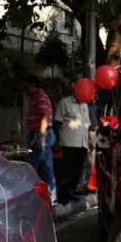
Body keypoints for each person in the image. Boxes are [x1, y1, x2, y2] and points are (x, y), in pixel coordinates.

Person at [23, 74, 57, 203]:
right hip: (40, 134)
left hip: (41, 134)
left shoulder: (40, 96)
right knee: (44, 166)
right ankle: (49, 196)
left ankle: (48, 196)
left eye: (26, 86)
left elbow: (45, 116)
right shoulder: (36, 97)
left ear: (33, 86)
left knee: (34, 166)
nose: (25, 90)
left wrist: (40, 137)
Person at [54, 93, 91, 203]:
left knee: (77, 169)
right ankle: (63, 194)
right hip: (69, 142)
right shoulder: (65, 102)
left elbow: (87, 124)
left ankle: (71, 191)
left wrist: (89, 140)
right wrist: (56, 140)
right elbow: (57, 122)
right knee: (67, 169)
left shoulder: (85, 105)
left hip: (82, 143)